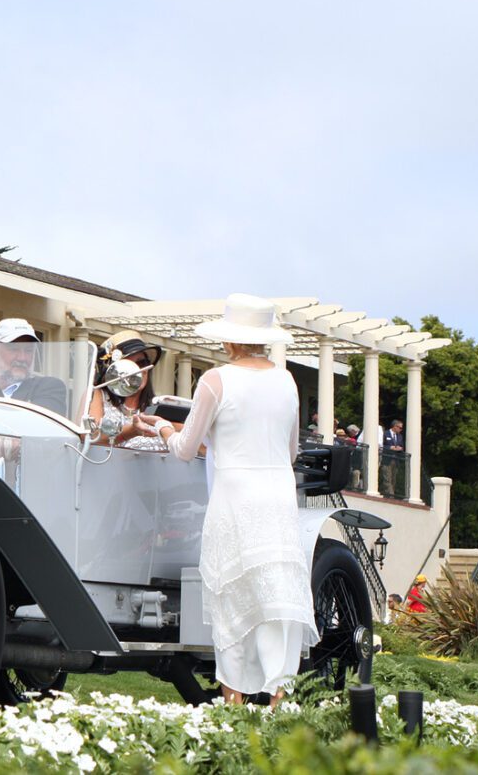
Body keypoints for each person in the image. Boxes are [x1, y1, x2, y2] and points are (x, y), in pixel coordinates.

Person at [138, 293, 316, 706]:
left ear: (229, 340)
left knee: (232, 594)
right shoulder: (286, 381)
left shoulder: (215, 381)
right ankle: (280, 699)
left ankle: (233, 700)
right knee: (278, 595)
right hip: (278, 495)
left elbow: (185, 447)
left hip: (236, 495)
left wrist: (161, 428)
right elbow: (290, 452)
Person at [89, 329, 172, 450]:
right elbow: (90, 436)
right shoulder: (97, 394)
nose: (136, 370)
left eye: (142, 363)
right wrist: (132, 431)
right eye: (127, 365)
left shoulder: (159, 405)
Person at [0, 318, 70, 415]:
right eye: (14, 349)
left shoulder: (48, 387)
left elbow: (38, 426)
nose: (22, 358)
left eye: (28, 350)